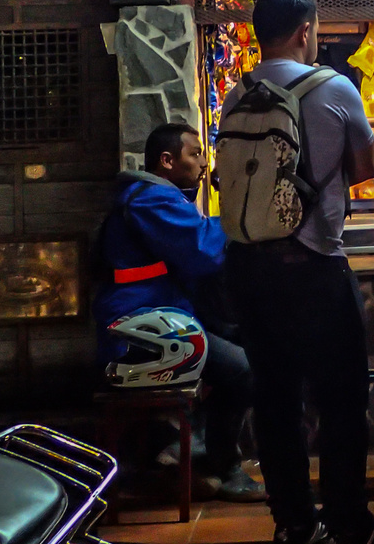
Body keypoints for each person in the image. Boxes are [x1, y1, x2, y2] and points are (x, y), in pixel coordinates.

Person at [221, 0, 374, 544]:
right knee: (341, 400)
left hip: (248, 268)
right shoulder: (335, 87)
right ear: (305, 31)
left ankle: (293, 527)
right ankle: (350, 531)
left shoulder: (234, 95)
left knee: (274, 399)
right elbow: (359, 169)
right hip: (314, 266)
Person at [93, 123, 264, 502]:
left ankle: (198, 447)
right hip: (137, 332)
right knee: (243, 370)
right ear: (167, 161)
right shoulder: (149, 200)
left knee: (238, 336)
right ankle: (222, 464)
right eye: (195, 153)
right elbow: (202, 248)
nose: (203, 163)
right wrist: (241, 213)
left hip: (161, 318)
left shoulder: (157, 196)